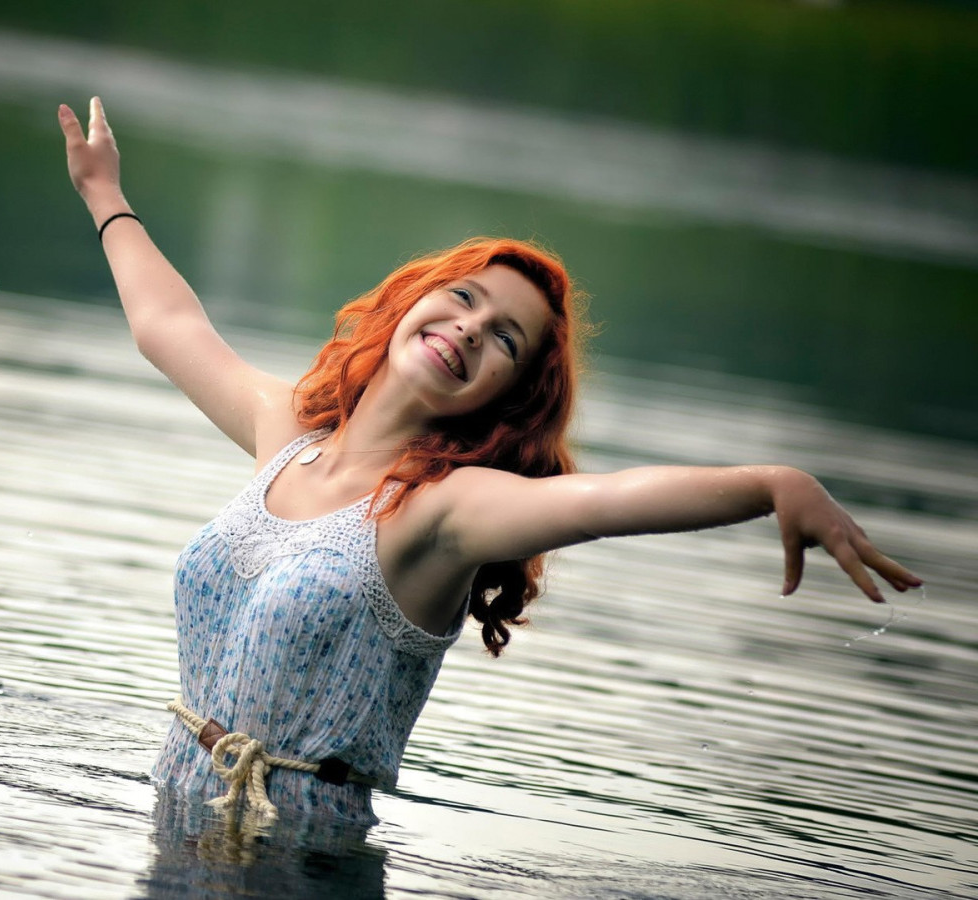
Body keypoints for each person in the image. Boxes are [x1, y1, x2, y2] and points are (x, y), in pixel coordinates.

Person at [57, 97, 922, 827]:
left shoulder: (445, 511)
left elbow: (606, 499)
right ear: (412, 301)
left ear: (505, 398)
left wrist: (774, 486)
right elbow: (169, 328)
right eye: (463, 298)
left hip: (299, 860)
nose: (469, 328)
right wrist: (106, 196)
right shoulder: (286, 432)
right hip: (172, 814)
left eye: (503, 338)